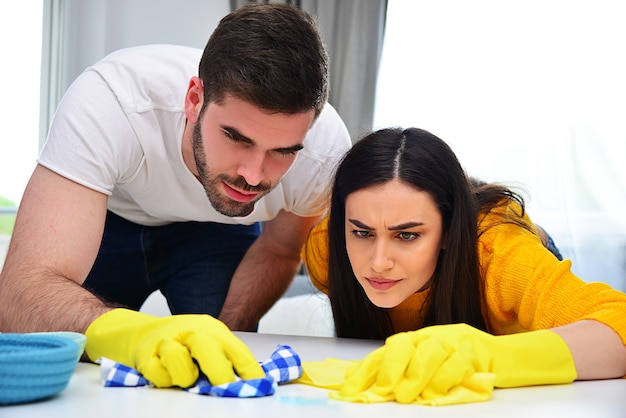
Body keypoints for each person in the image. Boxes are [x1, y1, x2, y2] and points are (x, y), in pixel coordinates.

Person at [0, 4, 351, 388]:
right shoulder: (111, 101)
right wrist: (132, 335)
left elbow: (281, 249)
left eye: (283, 151)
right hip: (108, 221)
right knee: (64, 348)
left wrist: (222, 337)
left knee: (218, 370)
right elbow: (20, 293)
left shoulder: (324, 154)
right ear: (194, 99)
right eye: (235, 137)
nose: (253, 174)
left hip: (220, 230)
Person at [301, 127, 626, 404]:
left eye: (407, 235)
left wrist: (487, 355)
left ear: (449, 230)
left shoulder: (499, 254)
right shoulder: (327, 250)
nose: (378, 262)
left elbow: (619, 325)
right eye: (362, 232)